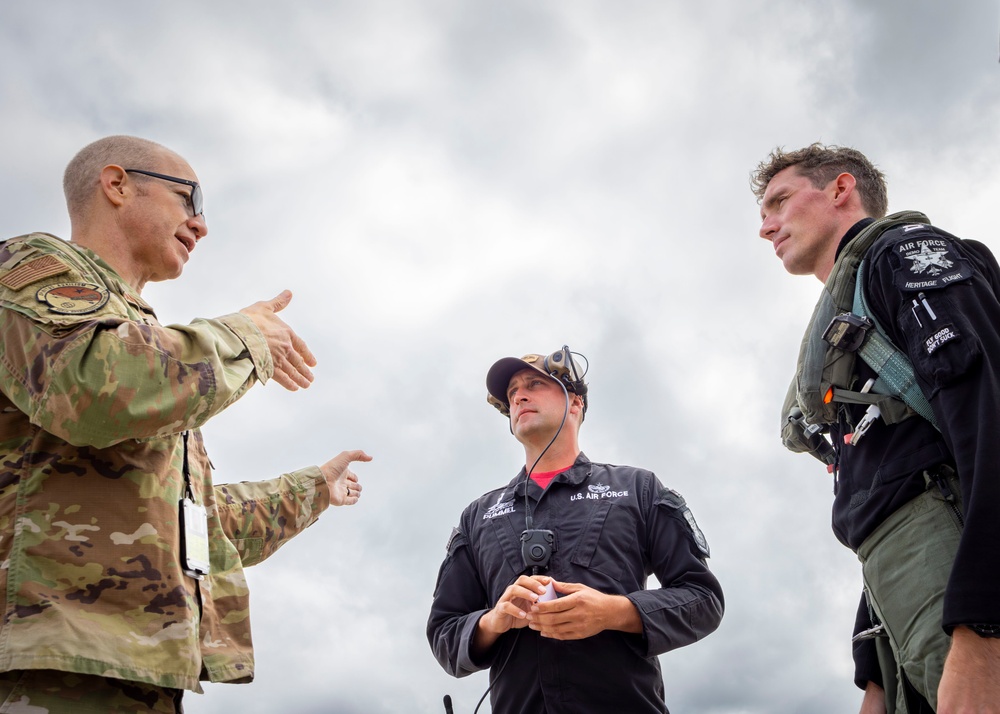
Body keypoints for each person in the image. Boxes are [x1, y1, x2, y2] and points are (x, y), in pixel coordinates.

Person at [0, 135, 372, 713]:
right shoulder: (28, 265)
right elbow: (91, 384)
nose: (201, 224)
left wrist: (314, 489)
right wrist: (246, 336)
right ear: (118, 185)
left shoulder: (143, 346)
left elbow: (193, 526)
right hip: (43, 663)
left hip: (133, 670)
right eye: (189, 198)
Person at [752, 143, 1000, 713]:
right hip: (905, 616)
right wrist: (876, 680)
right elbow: (885, 493)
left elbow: (988, 415)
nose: (766, 228)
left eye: (780, 202)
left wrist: (983, 627)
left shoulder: (903, 257)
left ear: (841, 189)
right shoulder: (846, 318)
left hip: (965, 607)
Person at [426, 347, 723, 713]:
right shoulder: (478, 516)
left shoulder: (637, 489)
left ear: (575, 402)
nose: (519, 396)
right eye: (513, 392)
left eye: (534, 384)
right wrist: (494, 621)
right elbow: (444, 632)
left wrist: (614, 611)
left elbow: (703, 599)